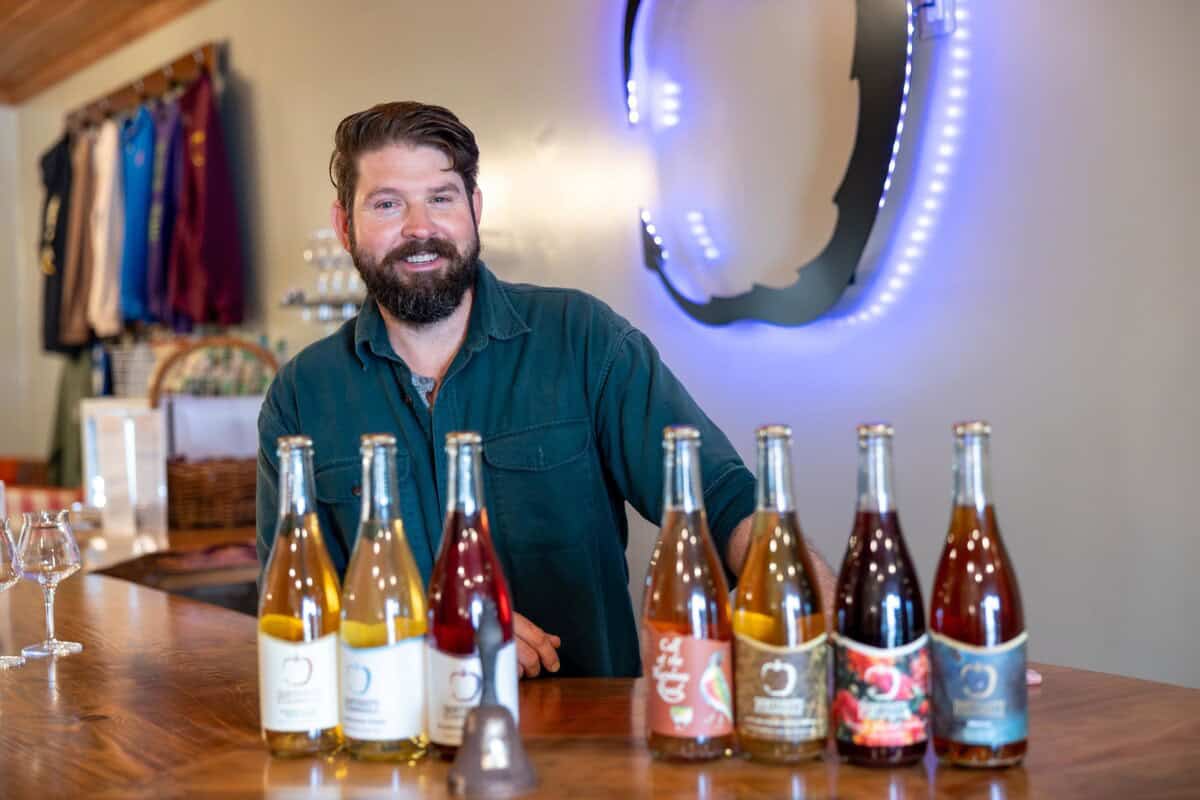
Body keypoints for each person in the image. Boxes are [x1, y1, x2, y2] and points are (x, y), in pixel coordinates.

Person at [256, 101, 836, 680]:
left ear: (474, 208)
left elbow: (722, 498)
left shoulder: (583, 339)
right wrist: (440, 634)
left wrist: (812, 598)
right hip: (391, 724)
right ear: (344, 226)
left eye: (441, 198)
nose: (420, 228)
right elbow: (292, 610)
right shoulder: (301, 397)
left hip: (591, 722)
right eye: (387, 204)